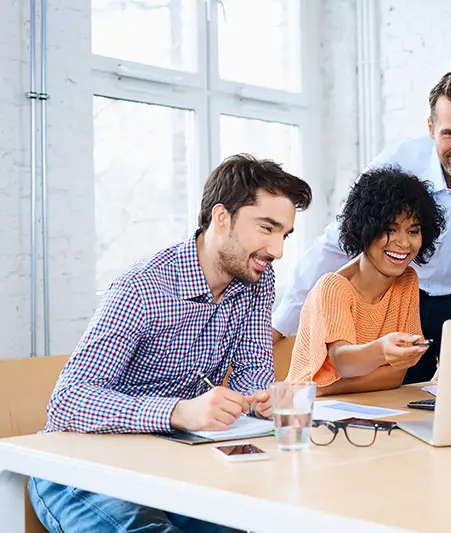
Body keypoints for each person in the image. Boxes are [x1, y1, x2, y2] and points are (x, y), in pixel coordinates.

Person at [29, 154, 312, 533]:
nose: (277, 250)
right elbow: (70, 401)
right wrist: (178, 412)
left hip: (176, 458)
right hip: (77, 463)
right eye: (267, 228)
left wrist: (262, 398)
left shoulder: (256, 281)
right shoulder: (143, 288)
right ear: (222, 217)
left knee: (264, 521)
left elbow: (252, 373)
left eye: (285, 235)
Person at [274, 70, 451, 383]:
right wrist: (280, 325)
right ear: (430, 128)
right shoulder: (398, 161)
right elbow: (338, 239)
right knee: (402, 390)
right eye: (450, 133)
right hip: (409, 295)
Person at [286, 165, 446, 395]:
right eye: (390, 230)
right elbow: (344, 363)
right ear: (365, 230)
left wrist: (321, 388)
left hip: (366, 403)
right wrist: (382, 352)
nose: (403, 243)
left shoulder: (407, 279)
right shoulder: (334, 287)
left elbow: (396, 375)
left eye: (413, 231)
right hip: (308, 410)